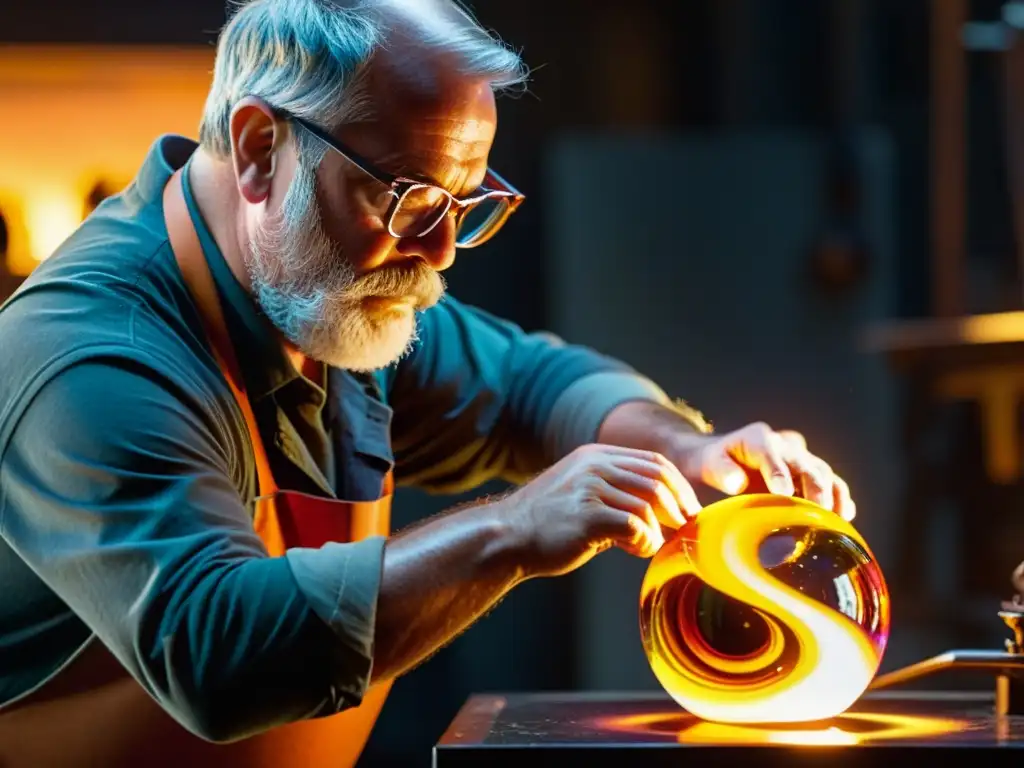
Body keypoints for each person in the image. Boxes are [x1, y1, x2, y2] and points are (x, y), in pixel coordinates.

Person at [0, 0, 855, 764]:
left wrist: (687, 448)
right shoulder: (97, 357)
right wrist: (513, 530)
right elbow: (221, 656)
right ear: (263, 149)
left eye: (466, 205)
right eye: (409, 200)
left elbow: (530, 386)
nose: (440, 252)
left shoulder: (319, 292)